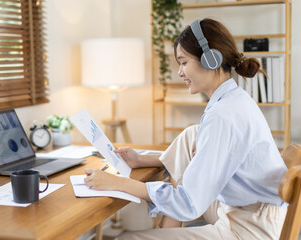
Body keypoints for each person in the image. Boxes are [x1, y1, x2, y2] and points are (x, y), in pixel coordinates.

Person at [84, 18, 287, 239]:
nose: (180, 72)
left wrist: (121, 183)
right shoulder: (231, 99)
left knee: (125, 238)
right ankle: (167, 232)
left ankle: (164, 233)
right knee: (193, 134)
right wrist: (142, 161)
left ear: (210, 60)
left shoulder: (223, 115)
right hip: (246, 210)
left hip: (250, 229)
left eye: (183, 62)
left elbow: (188, 202)